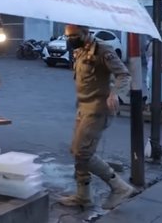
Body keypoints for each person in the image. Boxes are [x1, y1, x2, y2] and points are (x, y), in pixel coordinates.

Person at [58, 24, 137, 210]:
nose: (70, 39)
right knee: (77, 151)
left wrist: (115, 93)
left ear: (86, 33)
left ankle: (119, 187)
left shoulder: (103, 50)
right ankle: (83, 195)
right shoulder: (79, 50)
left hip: (98, 110)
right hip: (83, 108)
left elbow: (123, 75)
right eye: (67, 36)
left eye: (74, 35)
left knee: (83, 152)